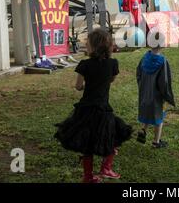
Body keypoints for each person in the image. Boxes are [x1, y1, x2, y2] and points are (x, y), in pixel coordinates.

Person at [54, 29, 132, 183]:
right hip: (103, 109)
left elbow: (78, 86)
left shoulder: (84, 64)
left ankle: (88, 177)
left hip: (85, 110)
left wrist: (86, 86)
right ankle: (106, 168)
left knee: (87, 143)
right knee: (112, 137)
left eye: (87, 44)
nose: (85, 45)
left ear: (94, 47)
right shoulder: (113, 64)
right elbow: (111, 80)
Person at [136, 33, 175, 148]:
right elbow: (165, 82)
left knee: (147, 112)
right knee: (159, 118)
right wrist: (166, 95)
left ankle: (143, 130)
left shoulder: (144, 57)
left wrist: (142, 87)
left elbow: (138, 74)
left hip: (144, 92)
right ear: (162, 44)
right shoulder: (162, 61)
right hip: (157, 95)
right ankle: (156, 142)